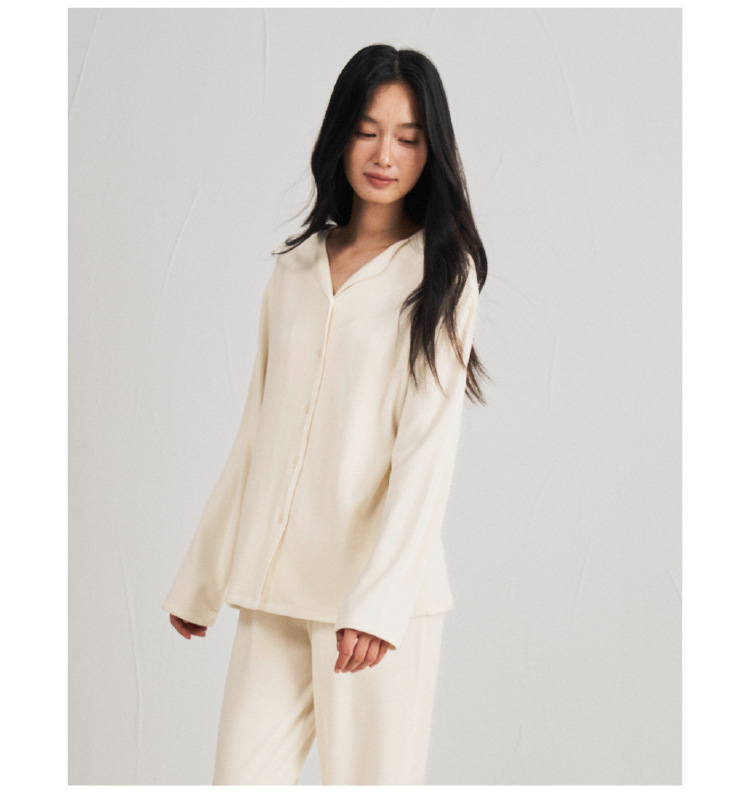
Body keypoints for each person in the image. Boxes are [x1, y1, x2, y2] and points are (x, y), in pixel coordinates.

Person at [161, 43, 490, 786]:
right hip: (275, 588)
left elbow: (426, 450)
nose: (385, 155)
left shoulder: (442, 274)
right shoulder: (297, 266)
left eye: (408, 137)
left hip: (376, 608)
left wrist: (381, 604)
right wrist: (202, 577)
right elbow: (258, 433)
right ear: (340, 136)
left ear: (431, 150)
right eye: (367, 131)